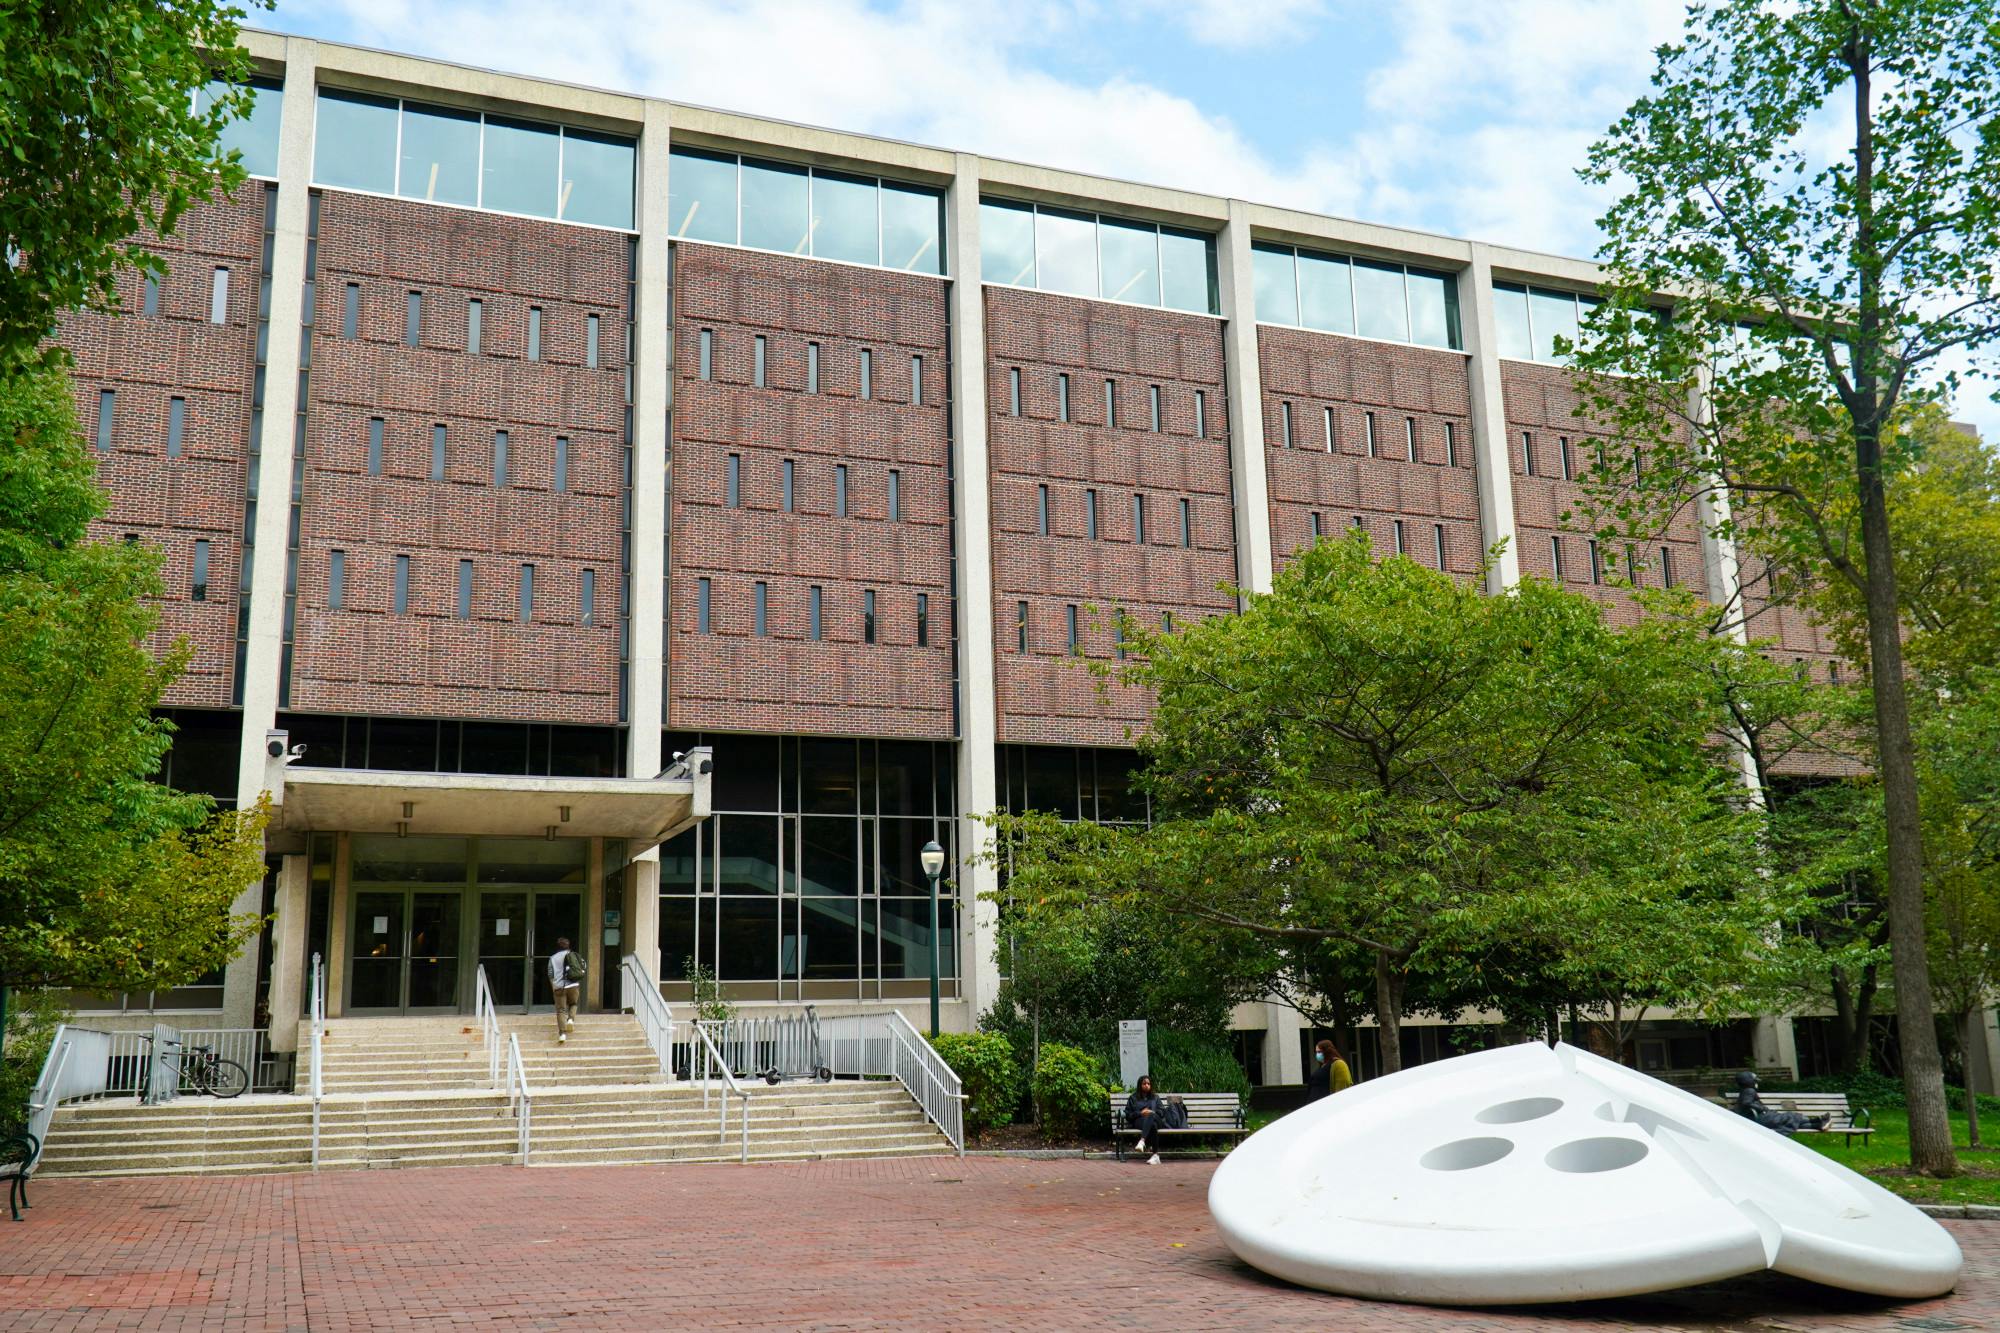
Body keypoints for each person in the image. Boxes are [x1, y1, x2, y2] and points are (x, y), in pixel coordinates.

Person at [1728, 1070, 1829, 1136]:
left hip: (1759, 1118)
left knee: (1790, 1121)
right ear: (1749, 1081)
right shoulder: (1749, 1091)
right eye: (1755, 1081)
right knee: (1790, 1117)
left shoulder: (1746, 1091)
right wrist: (1761, 1109)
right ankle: (1817, 1121)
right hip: (1760, 1119)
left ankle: (1817, 1124)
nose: (1757, 1083)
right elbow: (1747, 1103)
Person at [548, 937, 586, 1043]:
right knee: (573, 1004)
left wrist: (553, 986)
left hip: (559, 987)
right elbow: (584, 966)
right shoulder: (574, 955)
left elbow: (550, 974)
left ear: (557, 946)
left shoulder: (553, 958)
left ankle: (562, 1034)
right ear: (568, 945)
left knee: (561, 1010)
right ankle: (570, 1019)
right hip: (573, 985)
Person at [1124, 1074, 1167, 1165]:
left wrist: (1152, 1112)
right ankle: (1155, 1156)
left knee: (1151, 1115)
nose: (1147, 1085)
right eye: (1144, 1083)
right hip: (1140, 1121)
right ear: (1140, 1085)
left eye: (1148, 1083)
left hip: (1156, 1119)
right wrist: (1140, 1113)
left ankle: (1142, 1141)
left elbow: (1162, 1112)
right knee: (1153, 1125)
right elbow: (1128, 1115)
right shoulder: (1133, 1098)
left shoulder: (1155, 1097)